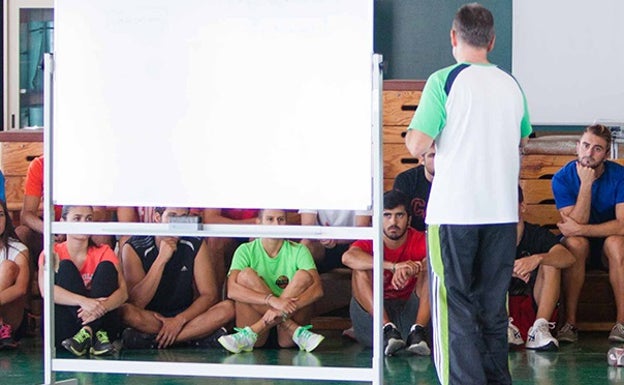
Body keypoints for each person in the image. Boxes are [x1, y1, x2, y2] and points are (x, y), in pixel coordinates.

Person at [404, 4, 532, 384]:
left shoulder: (443, 80)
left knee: (453, 307)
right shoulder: (512, 84)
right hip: (502, 213)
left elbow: (417, 144)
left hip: (455, 214)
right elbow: (523, 137)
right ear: (492, 40)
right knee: (493, 307)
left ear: (453, 37)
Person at [119, 207, 234, 349]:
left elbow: (209, 295)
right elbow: (137, 302)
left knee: (228, 308)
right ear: (156, 218)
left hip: (185, 316)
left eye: (183, 217)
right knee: (126, 312)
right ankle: (194, 337)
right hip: (151, 317)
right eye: (172, 216)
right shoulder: (134, 246)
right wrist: (161, 259)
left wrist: (179, 320)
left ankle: (160, 340)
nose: (177, 223)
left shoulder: (195, 242)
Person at [552, 124, 624, 343]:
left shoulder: (619, 175)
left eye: (597, 149)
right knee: (575, 243)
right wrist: (586, 184)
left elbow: (622, 226)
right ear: (577, 147)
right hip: (580, 248)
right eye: (585, 145)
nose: (589, 153)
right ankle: (570, 324)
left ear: (605, 153)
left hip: (608, 246)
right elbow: (574, 225)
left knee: (616, 243)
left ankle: (621, 324)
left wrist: (581, 229)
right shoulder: (562, 178)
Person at [217, 209, 325, 354]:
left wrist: (286, 307)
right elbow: (232, 290)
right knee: (245, 275)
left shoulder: (299, 250)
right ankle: (291, 328)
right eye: (270, 219)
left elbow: (317, 289)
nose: (276, 224)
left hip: (285, 337)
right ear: (259, 223)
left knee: (303, 276)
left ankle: (256, 331)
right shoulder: (245, 250)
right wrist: (271, 300)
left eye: (281, 219)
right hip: (258, 330)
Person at [342, 189, 430, 356]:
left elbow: (438, 259)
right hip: (374, 323)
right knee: (359, 270)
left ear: (409, 219)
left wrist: (414, 267)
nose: (393, 222)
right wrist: (393, 266)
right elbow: (348, 257)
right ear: (378, 219)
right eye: (387, 215)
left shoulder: (419, 239)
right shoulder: (370, 239)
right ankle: (388, 329)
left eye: (399, 215)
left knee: (431, 270)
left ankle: (418, 332)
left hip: (410, 316)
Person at [37, 205, 127, 357]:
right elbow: (46, 290)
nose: (84, 223)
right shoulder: (52, 251)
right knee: (65, 267)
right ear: (63, 221)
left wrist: (100, 307)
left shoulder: (104, 251)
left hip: (102, 332)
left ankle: (88, 332)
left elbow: (123, 293)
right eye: (77, 218)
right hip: (65, 329)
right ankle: (87, 332)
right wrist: (84, 301)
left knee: (106, 267)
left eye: (89, 219)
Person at [507, 187, 575, 351]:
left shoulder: (536, 234)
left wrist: (536, 259)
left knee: (551, 261)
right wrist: (508, 269)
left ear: (522, 206)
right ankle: (502, 326)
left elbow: (568, 258)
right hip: (503, 309)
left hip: (534, 304)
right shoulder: (488, 237)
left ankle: (539, 329)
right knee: (489, 267)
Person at [203, 208, 260, 292]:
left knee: (257, 238)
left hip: (255, 233)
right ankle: (215, 298)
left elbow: (270, 219)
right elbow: (211, 219)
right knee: (215, 240)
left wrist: (256, 225)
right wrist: (248, 225)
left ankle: (256, 296)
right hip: (227, 233)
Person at [298, 209, 371, 273]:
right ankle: (304, 286)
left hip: (353, 244)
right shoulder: (311, 193)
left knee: (362, 247)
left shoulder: (362, 193)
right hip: (322, 244)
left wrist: (335, 238)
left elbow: (362, 229)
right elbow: (307, 227)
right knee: (305, 245)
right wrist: (323, 236)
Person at [0, 199, 29, 349]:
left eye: (0, 215)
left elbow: (21, 289)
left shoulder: (18, 249)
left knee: (7, 267)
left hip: (10, 318)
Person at [393, 144, 435, 232]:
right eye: (433, 155)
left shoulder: (457, 181)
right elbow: (399, 217)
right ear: (422, 159)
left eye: (441, 156)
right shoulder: (406, 180)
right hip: (415, 238)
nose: (438, 160)